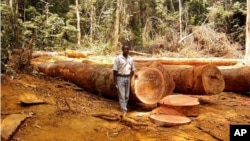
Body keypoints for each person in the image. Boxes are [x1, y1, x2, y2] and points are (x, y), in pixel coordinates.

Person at [112, 44, 136, 117]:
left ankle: (124, 108)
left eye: (127, 49)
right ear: (122, 50)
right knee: (121, 95)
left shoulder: (130, 59)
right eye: (125, 49)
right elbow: (114, 71)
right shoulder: (118, 58)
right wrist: (115, 81)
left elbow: (133, 68)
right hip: (120, 77)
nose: (126, 50)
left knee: (126, 95)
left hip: (128, 78)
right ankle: (124, 110)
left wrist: (135, 73)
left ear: (129, 50)